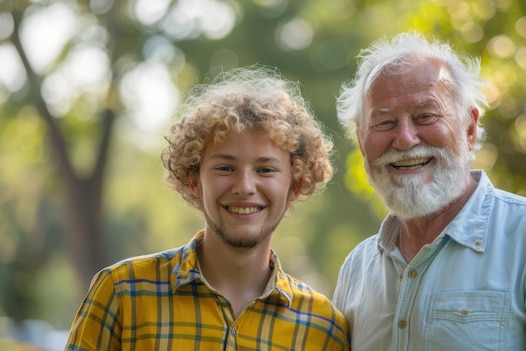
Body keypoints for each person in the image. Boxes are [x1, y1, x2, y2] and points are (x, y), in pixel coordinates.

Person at [332, 31, 526, 350]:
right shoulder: (356, 269)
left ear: (469, 128)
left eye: (425, 116)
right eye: (384, 123)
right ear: (361, 141)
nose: (405, 139)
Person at [65, 66, 349, 350]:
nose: (245, 186)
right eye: (225, 167)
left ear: (295, 185)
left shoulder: (322, 329)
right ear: (193, 181)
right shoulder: (122, 293)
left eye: (265, 169)